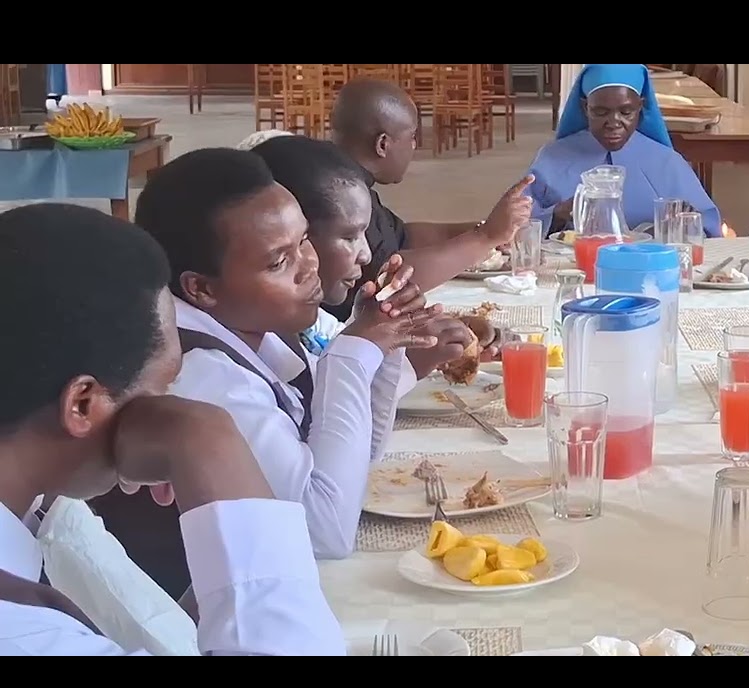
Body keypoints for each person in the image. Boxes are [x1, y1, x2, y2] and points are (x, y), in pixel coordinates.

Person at [90, 148, 439, 598]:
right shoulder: (200, 374)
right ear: (200, 288)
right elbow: (326, 530)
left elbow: (354, 462)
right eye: (279, 262)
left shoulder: (261, 328)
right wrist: (352, 353)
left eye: (305, 241)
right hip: (202, 614)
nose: (309, 265)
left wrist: (386, 341)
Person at [0, 203, 344, 655]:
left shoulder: (34, 521)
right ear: (83, 404)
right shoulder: (25, 635)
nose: (173, 404)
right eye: (164, 386)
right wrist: (206, 438)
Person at [249, 135, 473, 375]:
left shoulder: (313, 323)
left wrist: (390, 330)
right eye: (349, 237)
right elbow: (331, 404)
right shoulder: (242, 370)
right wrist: (405, 367)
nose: (366, 254)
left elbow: (339, 358)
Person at [328, 77, 534, 329]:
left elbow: (402, 235)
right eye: (412, 136)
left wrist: (484, 228)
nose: (415, 146)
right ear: (383, 144)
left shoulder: (349, 179)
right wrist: (485, 237)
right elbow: (386, 279)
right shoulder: (339, 197)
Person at [525, 63, 721, 238]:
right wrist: (556, 214)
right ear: (586, 108)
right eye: (600, 112)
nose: (613, 123)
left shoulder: (666, 161)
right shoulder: (552, 157)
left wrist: (684, 223)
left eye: (626, 112)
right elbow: (515, 225)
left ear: (640, 107)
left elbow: (709, 228)